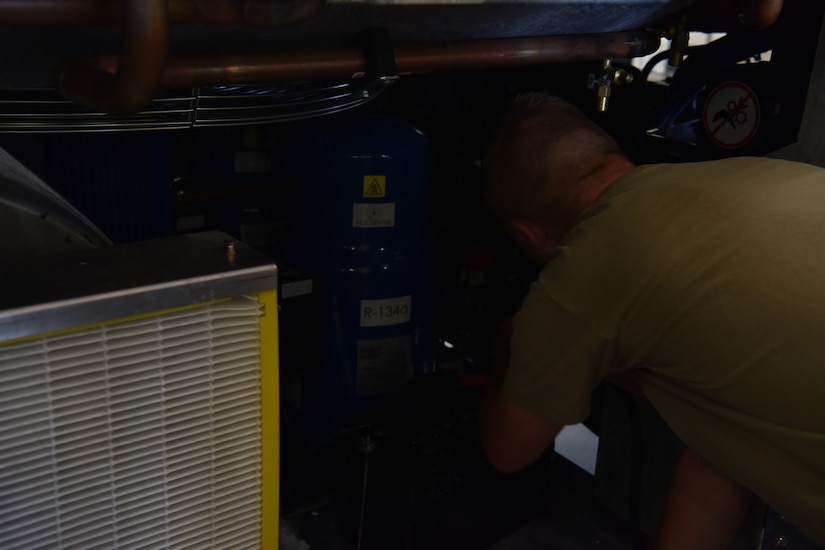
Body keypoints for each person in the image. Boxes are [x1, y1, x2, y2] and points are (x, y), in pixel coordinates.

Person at [479, 91, 825, 549]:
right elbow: (716, 467)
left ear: (528, 235)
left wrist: (508, 351)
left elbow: (508, 451)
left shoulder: (584, 269)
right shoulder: (752, 177)